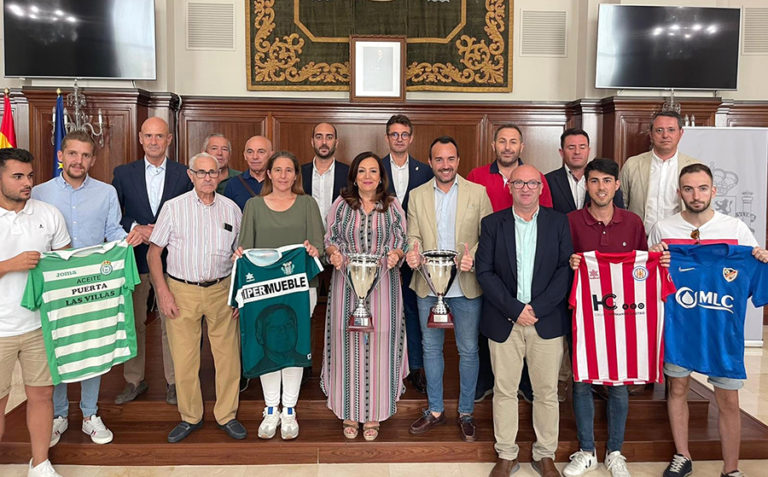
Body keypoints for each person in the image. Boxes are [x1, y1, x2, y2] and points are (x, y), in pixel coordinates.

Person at [648, 164, 768, 477]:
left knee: (728, 399)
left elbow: (753, 268)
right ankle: (683, 455)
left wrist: (762, 260)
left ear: (714, 191)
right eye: (688, 188)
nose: (696, 195)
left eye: (702, 188)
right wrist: (655, 256)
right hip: (680, 330)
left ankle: (731, 469)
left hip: (721, 334)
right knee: (677, 390)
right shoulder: (664, 228)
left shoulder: (736, 228)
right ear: (679, 193)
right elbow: (648, 278)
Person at [32, 131, 142, 447]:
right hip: (57, 288)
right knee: (60, 346)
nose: (78, 161)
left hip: (94, 283)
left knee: (91, 344)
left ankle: (90, 414)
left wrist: (127, 240)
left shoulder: (106, 193)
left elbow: (112, 231)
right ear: (61, 156)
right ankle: (59, 415)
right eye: (73, 154)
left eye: (85, 155)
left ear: (92, 160)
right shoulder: (40, 192)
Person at [476, 164, 573, 477]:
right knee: (504, 390)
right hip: (505, 320)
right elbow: (485, 272)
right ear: (510, 187)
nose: (526, 188)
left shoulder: (558, 223)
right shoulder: (492, 223)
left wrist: (537, 309)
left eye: (532, 183)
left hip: (545, 321)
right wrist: (515, 308)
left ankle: (545, 455)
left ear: (541, 188)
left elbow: (564, 271)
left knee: (546, 392)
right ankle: (506, 454)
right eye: (519, 183)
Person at [147, 152, 244, 443]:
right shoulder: (173, 208)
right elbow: (154, 254)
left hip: (221, 290)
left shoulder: (232, 209)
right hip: (181, 291)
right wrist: (162, 293)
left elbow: (241, 256)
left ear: (220, 175)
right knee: (184, 358)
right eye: (201, 173)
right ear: (191, 175)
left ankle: (227, 415)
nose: (207, 178)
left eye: (212, 173)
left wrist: (239, 294)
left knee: (228, 357)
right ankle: (190, 417)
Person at [562, 158, 647, 477]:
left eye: (606, 181)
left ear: (617, 185)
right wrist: (570, 263)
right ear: (587, 184)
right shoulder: (570, 221)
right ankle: (586, 450)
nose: (600, 187)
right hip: (584, 315)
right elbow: (559, 263)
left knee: (620, 384)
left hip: (624, 318)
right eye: (594, 181)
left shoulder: (633, 222)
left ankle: (615, 451)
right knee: (582, 381)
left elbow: (642, 269)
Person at [405, 137, 492, 442]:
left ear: (458, 160)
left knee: (468, 350)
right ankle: (436, 409)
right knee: (431, 348)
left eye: (450, 159)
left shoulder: (477, 193)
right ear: (430, 162)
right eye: (439, 159)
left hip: (466, 285)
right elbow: (412, 234)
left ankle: (466, 412)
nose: (445, 165)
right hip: (427, 284)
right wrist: (411, 251)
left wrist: (474, 255)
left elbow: (488, 236)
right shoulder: (416, 195)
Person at [237, 151, 324, 440]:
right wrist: (239, 257)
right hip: (263, 292)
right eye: (278, 170)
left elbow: (319, 248)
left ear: (296, 175)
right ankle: (270, 408)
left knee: (292, 345)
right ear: (269, 174)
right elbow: (245, 249)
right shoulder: (254, 206)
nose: (284, 175)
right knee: (269, 348)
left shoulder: (307, 204)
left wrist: (313, 251)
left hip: (300, 290)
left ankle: (289, 409)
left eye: (289, 170)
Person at [322, 151, 407, 441]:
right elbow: (330, 239)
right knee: (348, 344)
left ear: (381, 177)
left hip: (383, 285)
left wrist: (397, 253)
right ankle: (349, 410)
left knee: (381, 343)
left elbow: (402, 241)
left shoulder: (393, 206)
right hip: (347, 283)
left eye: (373, 171)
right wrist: (333, 254)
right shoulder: (341, 205)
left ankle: (374, 413)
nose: (367, 176)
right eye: (362, 171)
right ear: (354, 177)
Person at [468, 123, 553, 403]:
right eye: (502, 141)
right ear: (494, 145)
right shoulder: (477, 176)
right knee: (490, 323)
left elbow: (547, 219)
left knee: (530, 328)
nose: (507, 146)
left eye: (513, 141)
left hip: (527, 259)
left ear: (521, 147)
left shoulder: (535, 178)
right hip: (490, 259)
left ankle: (526, 383)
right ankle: (487, 381)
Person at [112, 117, 192, 405]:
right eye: (149, 136)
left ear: (169, 139)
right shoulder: (123, 173)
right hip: (134, 258)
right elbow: (115, 214)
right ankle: (134, 381)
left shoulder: (185, 174)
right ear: (140, 138)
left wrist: (161, 231)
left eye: (160, 136)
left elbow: (190, 213)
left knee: (173, 321)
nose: (154, 141)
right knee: (134, 322)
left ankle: (174, 382)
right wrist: (135, 226)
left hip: (173, 260)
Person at [0, 148, 70, 477]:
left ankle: (40, 463)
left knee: (41, 394)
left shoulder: (49, 213)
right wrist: (9, 266)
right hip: (0, 328)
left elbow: (66, 263)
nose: (27, 182)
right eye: (17, 176)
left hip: (39, 325)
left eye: (29, 175)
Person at [381, 114, 433, 395]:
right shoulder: (374, 168)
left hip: (415, 254)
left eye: (404, 134)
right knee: (385, 312)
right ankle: (387, 365)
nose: (399, 139)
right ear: (387, 138)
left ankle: (416, 367)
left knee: (414, 311)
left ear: (411, 138)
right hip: (383, 255)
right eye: (394, 134)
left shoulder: (425, 171)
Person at [619, 111, 699, 232]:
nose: (665, 135)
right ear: (651, 134)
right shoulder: (632, 165)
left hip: (680, 238)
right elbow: (621, 205)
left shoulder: (695, 167)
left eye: (671, 130)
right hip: (640, 239)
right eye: (659, 130)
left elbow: (702, 207)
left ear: (681, 133)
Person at [546, 129, 624, 214]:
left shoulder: (607, 181)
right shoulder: (548, 181)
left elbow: (618, 212)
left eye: (582, 147)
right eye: (571, 147)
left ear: (588, 150)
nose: (577, 152)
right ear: (561, 152)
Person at [301, 122, 350, 225]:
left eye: (329, 137)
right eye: (319, 137)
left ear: (336, 143)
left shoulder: (349, 173)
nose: (324, 142)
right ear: (312, 142)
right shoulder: (299, 173)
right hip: (306, 237)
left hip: (338, 238)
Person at [223, 135, 272, 210]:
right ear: (245, 155)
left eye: (261, 152)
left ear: (271, 155)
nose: (255, 157)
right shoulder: (233, 184)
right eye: (250, 152)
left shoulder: (279, 182)